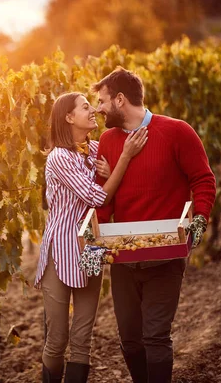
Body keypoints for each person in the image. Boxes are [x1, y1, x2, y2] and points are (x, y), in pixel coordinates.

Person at [92, 67, 216, 383]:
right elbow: (102, 202)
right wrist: (97, 243)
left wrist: (198, 224)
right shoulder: (107, 141)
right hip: (123, 257)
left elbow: (203, 180)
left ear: (120, 99)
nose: (98, 108)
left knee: (156, 338)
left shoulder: (177, 132)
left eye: (103, 101)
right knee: (130, 342)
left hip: (167, 256)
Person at [35, 91, 148, 383]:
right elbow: (97, 196)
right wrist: (122, 160)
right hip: (60, 252)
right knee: (58, 338)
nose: (92, 111)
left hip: (91, 250)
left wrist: (112, 168)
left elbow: (114, 185)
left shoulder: (96, 149)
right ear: (69, 117)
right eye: (85, 107)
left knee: (83, 340)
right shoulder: (59, 157)